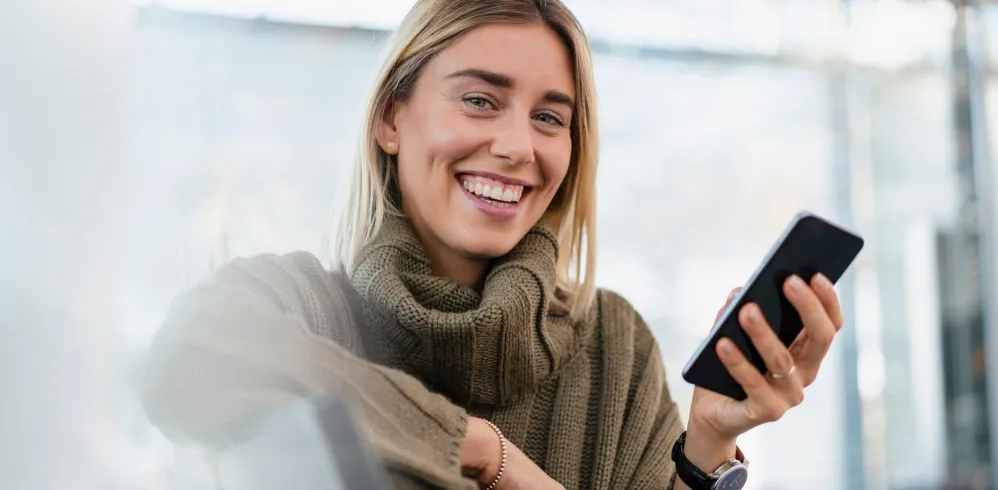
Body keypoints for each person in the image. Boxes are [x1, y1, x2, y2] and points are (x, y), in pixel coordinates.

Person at [140, 1, 845, 489]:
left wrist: (708, 446)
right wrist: (479, 450)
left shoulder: (613, 345)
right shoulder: (298, 304)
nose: (516, 147)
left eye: (548, 116)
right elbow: (183, 360)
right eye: (480, 99)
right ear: (392, 117)